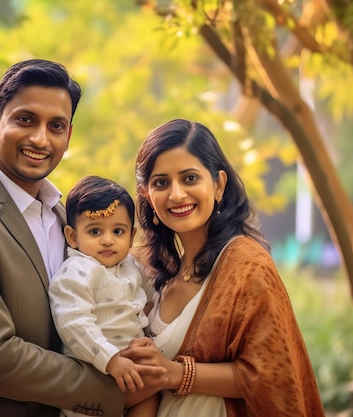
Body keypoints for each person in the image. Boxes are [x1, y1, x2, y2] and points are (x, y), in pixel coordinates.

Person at [0, 59, 164, 417]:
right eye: (25, 119)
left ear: (69, 136)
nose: (40, 138)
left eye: (56, 126)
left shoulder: (68, 218)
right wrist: (121, 388)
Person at [120, 118, 326, 416]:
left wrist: (177, 374)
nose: (177, 194)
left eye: (189, 178)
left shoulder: (246, 265)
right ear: (147, 196)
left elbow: (272, 374)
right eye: (161, 183)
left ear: (218, 185)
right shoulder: (151, 275)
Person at [49, 175, 159, 417]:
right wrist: (110, 360)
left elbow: (155, 296)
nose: (107, 240)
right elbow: (74, 323)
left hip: (130, 369)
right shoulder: (77, 272)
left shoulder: (131, 266)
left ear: (131, 236)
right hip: (93, 372)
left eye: (118, 231)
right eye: (95, 231)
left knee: (151, 398)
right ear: (73, 236)